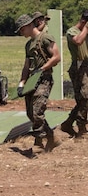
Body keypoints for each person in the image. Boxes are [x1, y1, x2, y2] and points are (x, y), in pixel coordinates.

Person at [16, 11, 61, 152]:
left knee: (37, 111)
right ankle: (52, 137)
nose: (21, 32)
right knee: (30, 113)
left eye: (22, 29)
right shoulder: (28, 45)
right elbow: (26, 66)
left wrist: (42, 68)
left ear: (29, 25)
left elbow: (56, 57)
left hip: (44, 79)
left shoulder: (45, 38)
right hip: (31, 81)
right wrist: (21, 83)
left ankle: (39, 142)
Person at [61, 10, 88, 137]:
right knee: (84, 97)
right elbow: (78, 41)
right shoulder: (72, 31)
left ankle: (68, 123)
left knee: (84, 99)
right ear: (83, 21)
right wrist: (86, 28)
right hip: (79, 66)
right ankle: (81, 127)